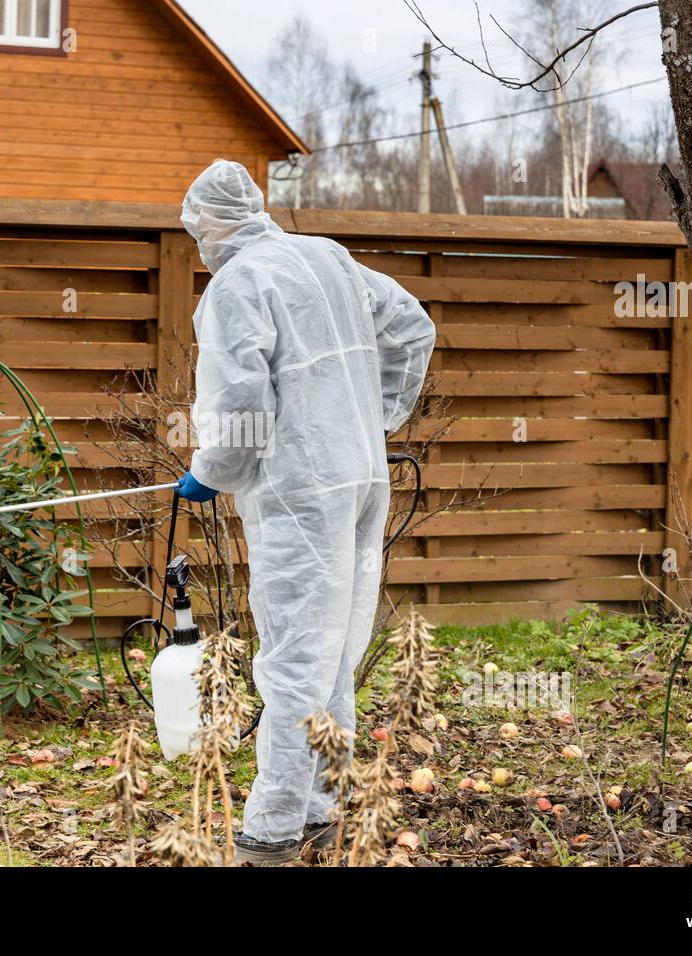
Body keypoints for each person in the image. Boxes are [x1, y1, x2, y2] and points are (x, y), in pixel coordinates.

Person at [175, 159, 435, 864]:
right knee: (333, 651)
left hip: (300, 493)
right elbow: (413, 326)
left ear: (214, 223)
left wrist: (208, 471)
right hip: (360, 478)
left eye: (197, 228)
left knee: (293, 653)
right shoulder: (327, 258)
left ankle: (273, 827)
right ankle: (322, 802)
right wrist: (371, 419)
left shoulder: (238, 284)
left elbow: (237, 405)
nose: (198, 242)